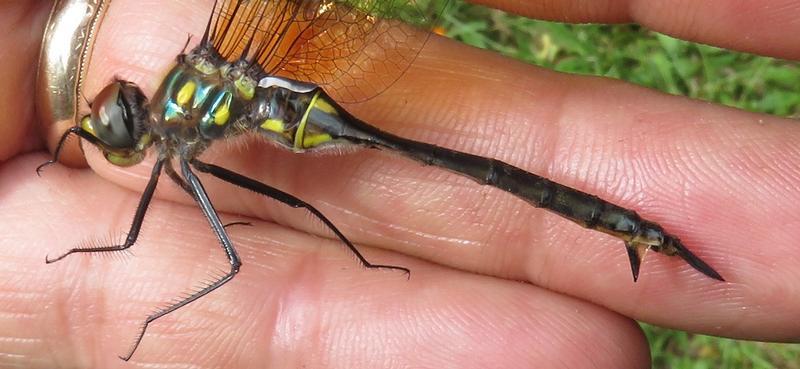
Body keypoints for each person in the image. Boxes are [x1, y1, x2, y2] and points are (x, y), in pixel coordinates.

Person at [1, 0, 798, 367]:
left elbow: (170, 244)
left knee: (242, 254)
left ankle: (629, 224)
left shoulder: (174, 143)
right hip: (280, 98)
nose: (120, 130)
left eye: (119, 125)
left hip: (294, 105)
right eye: (118, 123)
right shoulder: (185, 96)